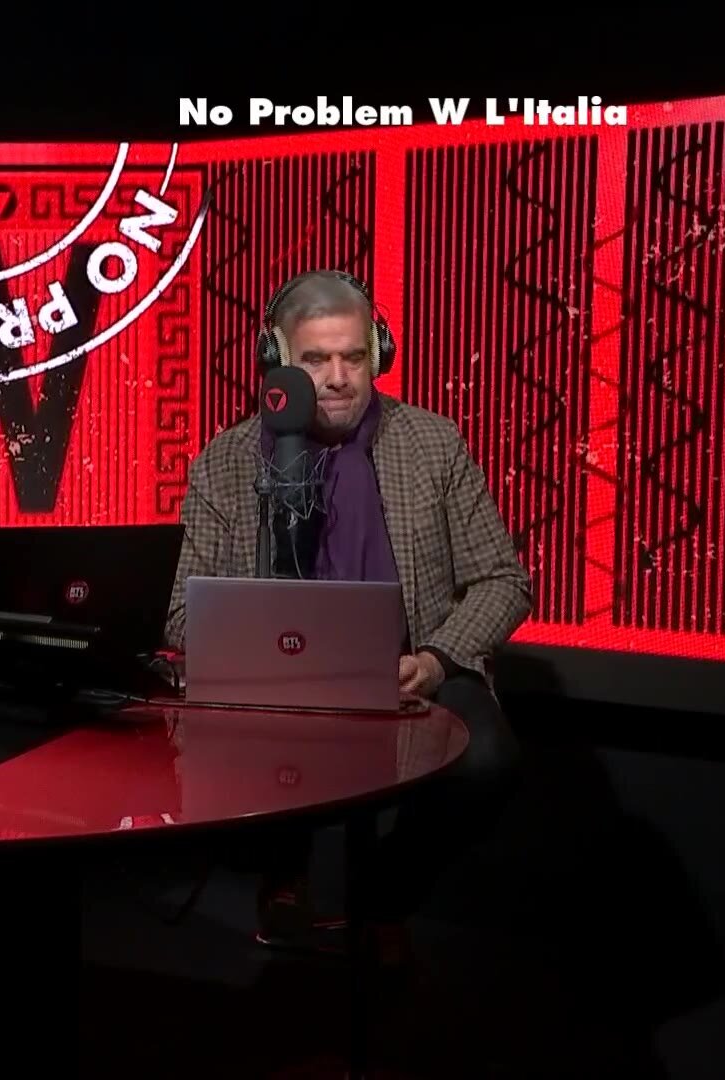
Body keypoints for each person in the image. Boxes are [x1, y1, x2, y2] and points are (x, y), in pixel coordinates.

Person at [164, 269, 532, 958]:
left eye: (353, 357)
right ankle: (282, 871)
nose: (337, 378)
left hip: (412, 674)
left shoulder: (432, 444)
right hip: (273, 688)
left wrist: (436, 660)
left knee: (487, 762)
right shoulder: (226, 461)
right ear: (276, 359)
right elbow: (181, 610)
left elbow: (502, 581)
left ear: (377, 354)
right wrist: (250, 652)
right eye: (315, 359)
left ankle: (384, 894)